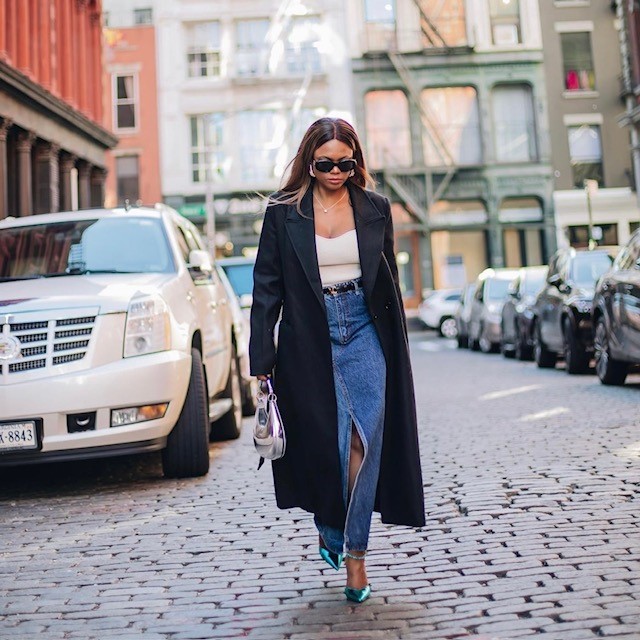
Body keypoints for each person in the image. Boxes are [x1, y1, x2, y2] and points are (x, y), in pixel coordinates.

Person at [249, 117, 425, 603]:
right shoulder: (283, 213)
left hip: (365, 330)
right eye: (326, 163)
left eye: (345, 163)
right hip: (310, 333)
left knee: (364, 444)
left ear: (355, 161)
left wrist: (399, 347)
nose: (336, 171)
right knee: (329, 441)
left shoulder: (375, 208)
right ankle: (329, 521)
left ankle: (356, 557)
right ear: (310, 161)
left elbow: (386, 282)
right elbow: (266, 287)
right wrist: (260, 360)